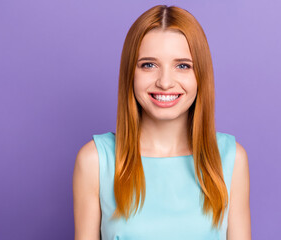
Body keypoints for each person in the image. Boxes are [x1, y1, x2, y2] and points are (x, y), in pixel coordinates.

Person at [73, 4, 251, 240]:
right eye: (149, 65)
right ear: (130, 73)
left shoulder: (229, 159)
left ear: (201, 76)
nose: (165, 82)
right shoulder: (95, 161)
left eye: (182, 66)